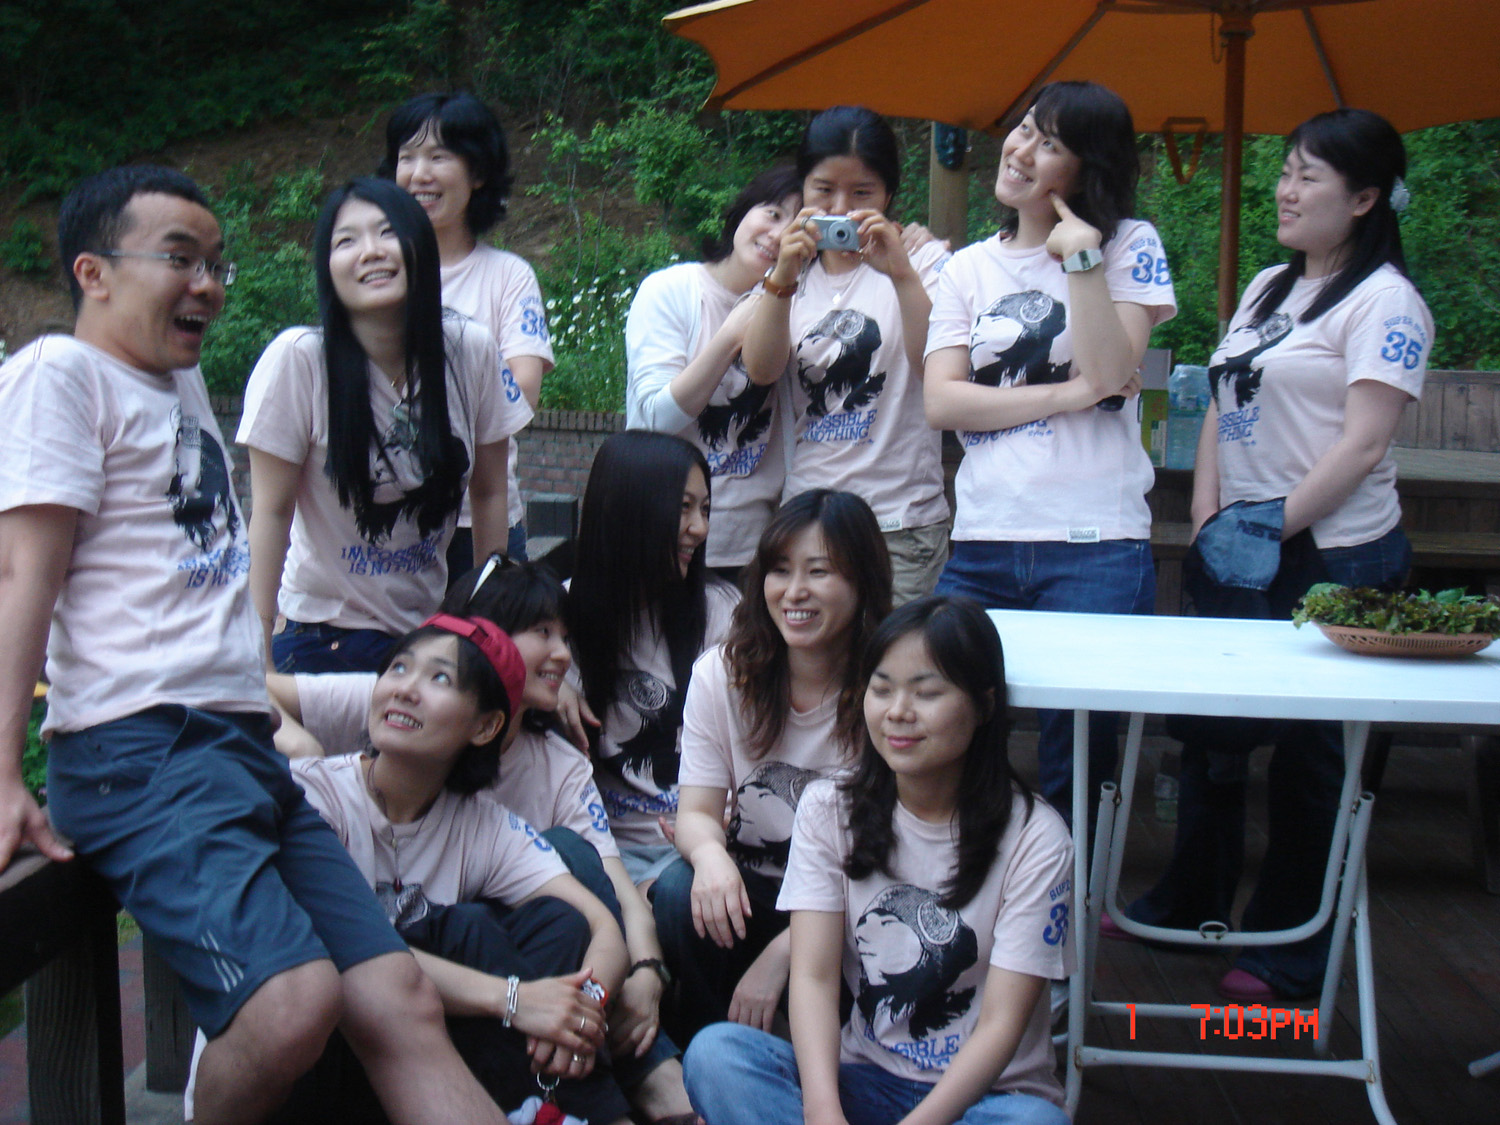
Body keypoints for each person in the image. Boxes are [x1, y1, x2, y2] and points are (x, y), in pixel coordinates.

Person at [0, 164, 506, 1125]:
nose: (207, 284)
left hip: (240, 744)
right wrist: (0, 774)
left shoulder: (177, 379)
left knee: (396, 994)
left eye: (215, 263)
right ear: (93, 272)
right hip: (139, 749)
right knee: (289, 1006)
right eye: (178, 259)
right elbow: (20, 575)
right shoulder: (57, 375)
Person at [1111, 108, 1432, 1004]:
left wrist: (1270, 525)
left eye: (1307, 177)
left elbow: (1364, 443)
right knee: (1211, 734)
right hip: (1239, 540)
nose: (1285, 190)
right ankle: (1189, 901)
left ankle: (1293, 946)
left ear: (1364, 198)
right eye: (1286, 171)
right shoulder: (1265, 287)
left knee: (1314, 759)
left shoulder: (1387, 303)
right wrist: (1210, 513)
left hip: (1336, 556)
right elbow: (1224, 399)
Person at [273, 557, 699, 1125]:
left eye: (439, 679)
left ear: (486, 725)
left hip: (435, 1040)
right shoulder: (315, 795)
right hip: (316, 1050)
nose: (406, 689)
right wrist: (518, 1000)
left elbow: (603, 921)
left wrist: (581, 1007)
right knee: (468, 929)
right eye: (397, 668)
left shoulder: (486, 817)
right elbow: (349, 954)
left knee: (557, 916)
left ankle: (567, 1100)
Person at [681, 596, 1074, 1125]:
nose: (898, 712)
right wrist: (823, 1113)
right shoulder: (828, 808)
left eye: (927, 693)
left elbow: (1002, 1025)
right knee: (717, 1056)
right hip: (864, 1080)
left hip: (986, 1100)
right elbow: (814, 978)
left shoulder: (1037, 838)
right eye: (882, 688)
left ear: (984, 705)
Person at [923, 80, 1177, 825]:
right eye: (1027, 129)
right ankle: (974, 881)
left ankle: (1072, 888)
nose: (1023, 150)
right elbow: (943, 402)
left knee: (1080, 752)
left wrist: (1083, 262)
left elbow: (1111, 365)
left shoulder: (1129, 244)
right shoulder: (967, 269)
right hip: (983, 539)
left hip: (1095, 545)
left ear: (1088, 167)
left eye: (1052, 143)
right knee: (956, 736)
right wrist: (1071, 395)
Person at [241, 176, 532, 674]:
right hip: (323, 635)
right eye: (346, 241)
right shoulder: (298, 361)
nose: (370, 251)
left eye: (387, 232)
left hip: (427, 634)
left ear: (420, 245)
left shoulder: (470, 350)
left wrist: (489, 628)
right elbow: (270, 514)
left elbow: (488, 492)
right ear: (327, 267)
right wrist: (256, 659)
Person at [654, 489, 893, 1039]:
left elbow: (894, 862)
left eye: (819, 571)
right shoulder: (722, 674)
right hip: (753, 892)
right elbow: (696, 814)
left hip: (851, 904)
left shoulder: (888, 688)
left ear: (862, 581)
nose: (794, 591)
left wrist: (788, 950)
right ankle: (709, 1054)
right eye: (780, 570)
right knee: (677, 890)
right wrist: (711, 856)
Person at [743, 106, 950, 605]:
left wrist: (901, 273)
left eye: (861, 193)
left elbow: (936, 368)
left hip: (900, 524)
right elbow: (761, 369)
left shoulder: (923, 262)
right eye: (823, 190)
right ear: (802, 189)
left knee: (892, 652)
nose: (840, 208)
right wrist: (782, 277)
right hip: (809, 521)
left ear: (888, 196)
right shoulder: (788, 274)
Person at [381, 92, 554, 569]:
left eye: (439, 157)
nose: (419, 174)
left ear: (477, 173)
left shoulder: (508, 276)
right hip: (386, 518)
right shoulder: (373, 269)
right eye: (407, 157)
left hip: (479, 518)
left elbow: (523, 392)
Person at [566, 431, 740, 891]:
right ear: (629, 510)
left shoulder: (722, 613)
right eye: (683, 507)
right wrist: (544, 686)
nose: (700, 528)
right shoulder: (557, 618)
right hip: (598, 852)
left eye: (705, 509)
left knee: (677, 896)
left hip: (694, 852)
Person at [625, 165, 801, 574]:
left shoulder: (799, 306)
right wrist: (729, 337)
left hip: (754, 549)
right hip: (661, 540)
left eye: (796, 228)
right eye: (773, 213)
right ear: (742, 211)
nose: (778, 235)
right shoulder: (671, 290)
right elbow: (655, 419)